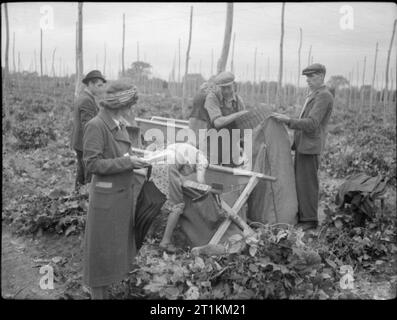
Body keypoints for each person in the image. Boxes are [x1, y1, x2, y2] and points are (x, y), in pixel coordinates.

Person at [82, 80, 149, 299]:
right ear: (118, 106)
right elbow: (92, 164)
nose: (132, 110)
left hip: (118, 197)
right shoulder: (96, 125)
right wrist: (128, 163)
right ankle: (98, 295)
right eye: (130, 105)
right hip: (106, 200)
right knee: (100, 253)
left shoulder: (117, 123)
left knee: (113, 249)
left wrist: (136, 158)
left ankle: (107, 290)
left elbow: (118, 154)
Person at [271, 63, 334, 231]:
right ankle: (304, 216)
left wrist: (288, 121)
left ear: (321, 77)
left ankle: (310, 219)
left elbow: (312, 123)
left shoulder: (324, 96)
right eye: (307, 77)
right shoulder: (314, 94)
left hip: (310, 146)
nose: (308, 80)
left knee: (308, 183)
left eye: (312, 77)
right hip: (303, 145)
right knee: (301, 181)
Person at [149, 143, 209, 253]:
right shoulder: (203, 160)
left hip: (155, 165)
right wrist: (207, 192)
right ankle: (165, 242)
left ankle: (149, 235)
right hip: (169, 166)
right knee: (178, 205)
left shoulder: (186, 149)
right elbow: (201, 181)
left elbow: (180, 172)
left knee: (158, 200)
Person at [71, 70, 107, 191]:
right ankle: (86, 200)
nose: (101, 89)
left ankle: (77, 198)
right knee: (88, 175)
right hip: (85, 144)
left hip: (79, 142)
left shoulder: (84, 97)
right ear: (90, 84)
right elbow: (89, 126)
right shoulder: (87, 100)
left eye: (102, 85)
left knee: (81, 173)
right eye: (99, 85)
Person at [204, 71, 249, 166]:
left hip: (232, 147)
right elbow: (218, 122)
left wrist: (242, 145)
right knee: (212, 175)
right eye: (223, 88)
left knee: (230, 177)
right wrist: (239, 114)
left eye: (229, 87)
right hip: (214, 145)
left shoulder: (238, 101)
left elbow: (243, 125)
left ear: (234, 85)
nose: (226, 91)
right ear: (218, 87)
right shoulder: (212, 98)